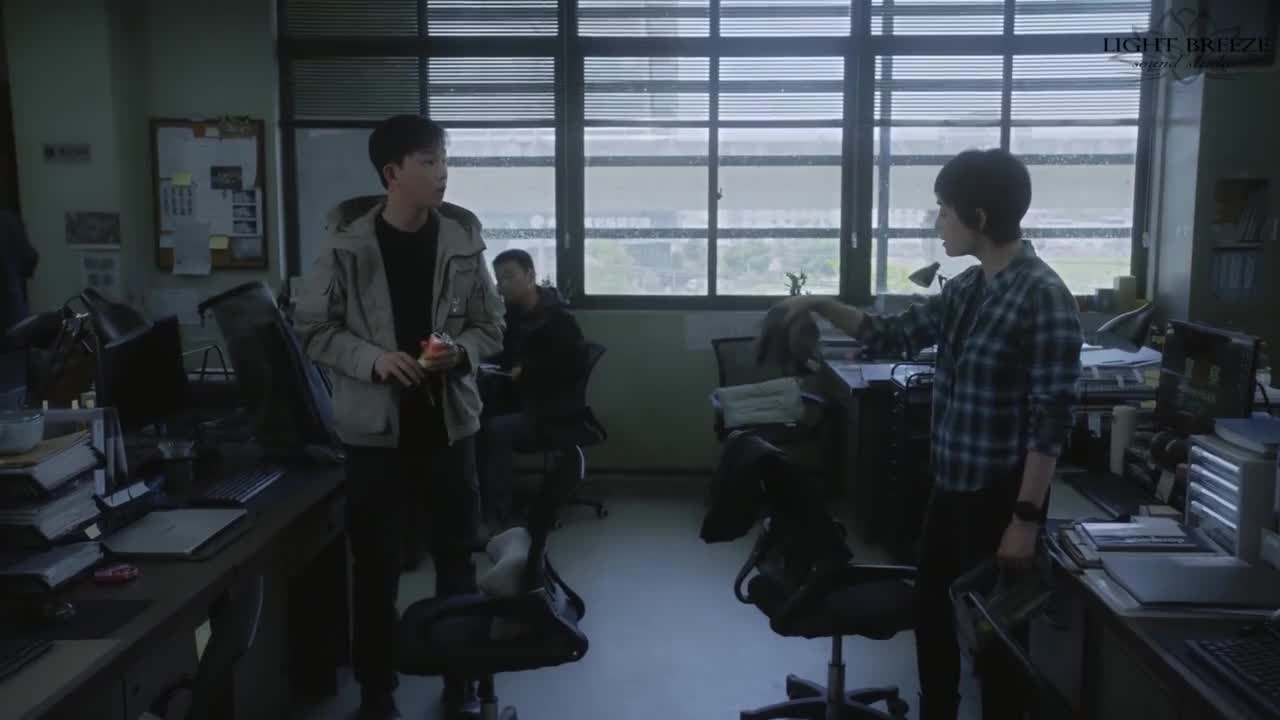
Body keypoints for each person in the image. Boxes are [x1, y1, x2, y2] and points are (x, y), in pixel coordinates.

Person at [779, 149, 1082, 720]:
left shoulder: (1043, 295)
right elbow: (890, 334)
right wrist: (819, 304)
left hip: (1002, 497)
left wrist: (1024, 519)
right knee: (931, 615)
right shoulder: (968, 288)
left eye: (944, 210)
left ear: (979, 217)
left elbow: (1052, 419)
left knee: (996, 642)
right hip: (950, 488)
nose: (937, 221)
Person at [295, 115, 504, 720]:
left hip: (449, 428)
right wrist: (374, 359)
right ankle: (376, 691)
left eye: (444, 160)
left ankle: (460, 680)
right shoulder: (344, 245)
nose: (443, 173)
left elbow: (491, 327)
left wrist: (459, 352)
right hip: (374, 435)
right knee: (376, 569)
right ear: (393, 173)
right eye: (429, 162)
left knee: (457, 559)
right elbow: (314, 331)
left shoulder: (463, 239)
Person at [478, 249, 586, 528]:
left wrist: (527, 371)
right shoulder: (509, 318)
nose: (502, 285)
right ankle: (475, 505)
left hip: (550, 410)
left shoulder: (560, 321)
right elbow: (502, 356)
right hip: (519, 401)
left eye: (509, 276)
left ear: (530, 275)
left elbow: (570, 372)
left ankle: (497, 516)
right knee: (469, 420)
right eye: (498, 279)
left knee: (495, 429)